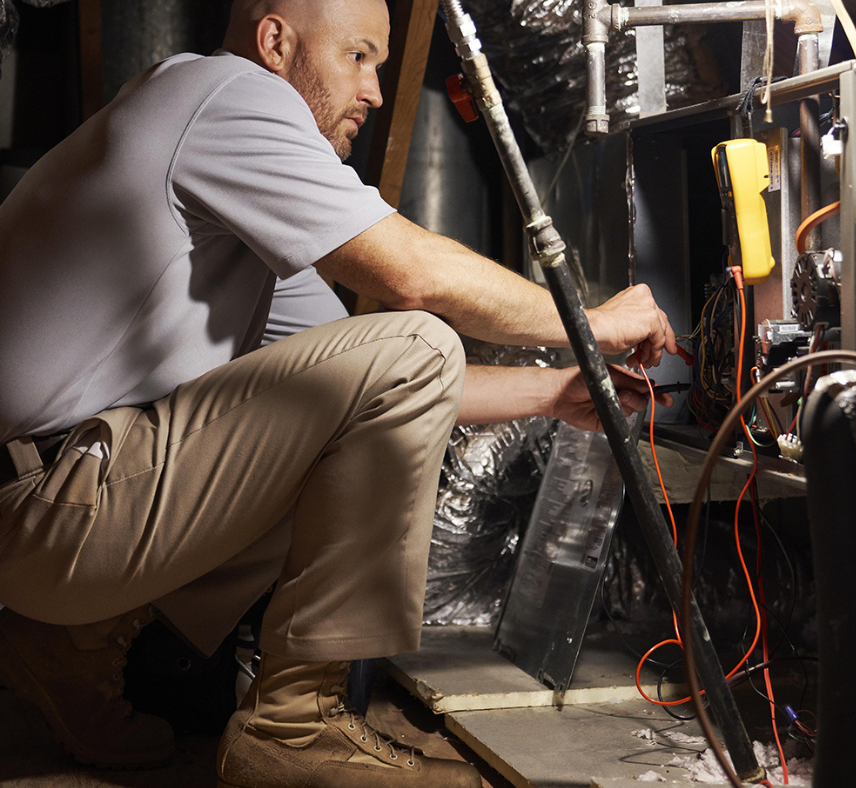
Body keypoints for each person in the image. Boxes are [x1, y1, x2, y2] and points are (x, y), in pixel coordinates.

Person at [0, 0, 677, 785]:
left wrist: (553, 392)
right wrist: (589, 322)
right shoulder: (226, 97)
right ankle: (294, 730)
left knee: (375, 388)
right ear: (275, 42)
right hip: (47, 505)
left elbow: (373, 394)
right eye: (358, 57)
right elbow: (413, 284)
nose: (377, 92)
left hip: (52, 509)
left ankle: (68, 643)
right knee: (419, 337)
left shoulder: (227, 203)